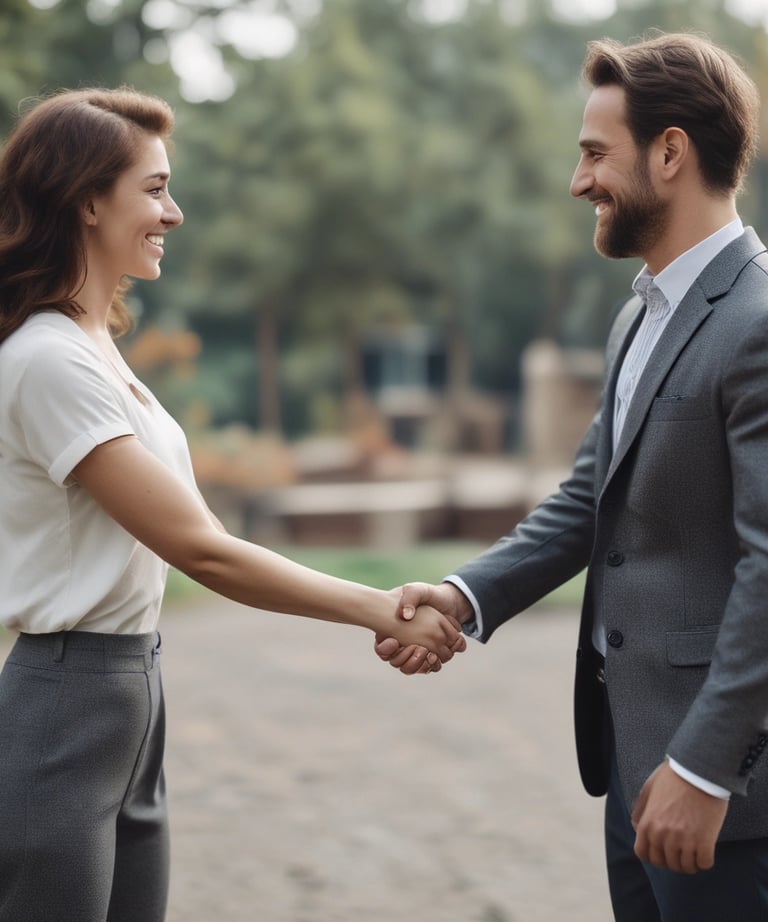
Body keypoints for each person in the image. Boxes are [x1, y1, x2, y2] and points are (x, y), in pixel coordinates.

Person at [0, 86, 464, 922]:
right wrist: (380, 608)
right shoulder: (48, 360)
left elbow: (197, 537)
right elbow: (201, 550)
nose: (173, 213)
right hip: (65, 708)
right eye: (154, 189)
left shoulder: (95, 347)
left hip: (129, 698)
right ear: (88, 202)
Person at [376, 31, 768, 922]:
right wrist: (462, 596)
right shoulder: (641, 316)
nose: (578, 181)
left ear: (670, 153)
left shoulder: (757, 321)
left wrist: (707, 766)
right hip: (634, 765)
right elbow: (591, 500)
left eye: (595, 153)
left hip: (722, 791)